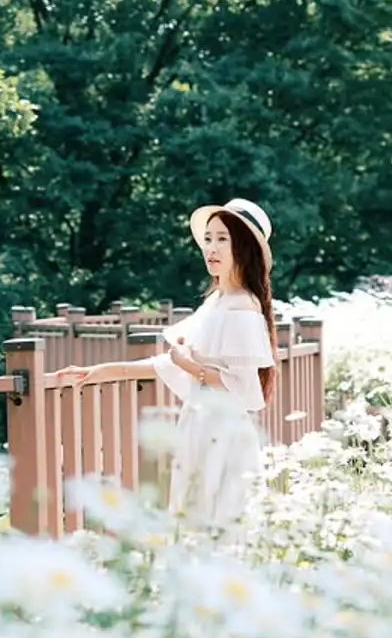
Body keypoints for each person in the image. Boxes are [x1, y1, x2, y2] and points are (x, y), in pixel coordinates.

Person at [56, 197, 279, 530]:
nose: (211, 249)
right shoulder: (217, 302)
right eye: (208, 239)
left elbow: (239, 387)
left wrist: (190, 365)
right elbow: (168, 363)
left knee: (217, 527)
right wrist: (101, 372)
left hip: (222, 430)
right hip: (200, 423)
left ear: (243, 248)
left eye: (222, 239)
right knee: (195, 523)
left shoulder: (242, 306)